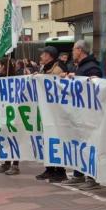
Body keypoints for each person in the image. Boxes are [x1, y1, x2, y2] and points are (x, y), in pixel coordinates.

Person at [60, 40, 104, 191]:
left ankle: (91, 178)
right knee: (78, 143)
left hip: (88, 115)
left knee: (88, 144)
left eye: (74, 49)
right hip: (78, 114)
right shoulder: (79, 67)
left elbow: (94, 88)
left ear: (80, 50)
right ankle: (78, 174)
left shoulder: (92, 68)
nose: (72, 52)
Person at [35, 46, 68, 183]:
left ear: (49, 56)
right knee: (46, 139)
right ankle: (49, 169)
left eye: (43, 54)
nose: (41, 56)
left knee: (56, 139)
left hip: (56, 112)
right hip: (47, 110)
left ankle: (60, 171)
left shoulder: (58, 68)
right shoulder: (46, 67)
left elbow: (52, 85)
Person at [0, 58, 22, 175]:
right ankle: (6, 162)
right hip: (2, 113)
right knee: (5, 139)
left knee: (14, 139)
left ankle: (15, 165)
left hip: (13, 113)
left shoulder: (16, 78)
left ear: (4, 66)